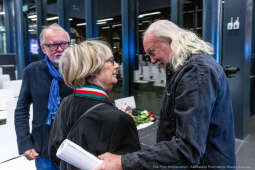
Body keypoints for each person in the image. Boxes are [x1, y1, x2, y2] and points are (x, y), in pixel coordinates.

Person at [95, 20, 236, 170]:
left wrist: (122, 162)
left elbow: (187, 149)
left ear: (170, 41)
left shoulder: (196, 72)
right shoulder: (185, 68)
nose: (152, 60)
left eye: (152, 52)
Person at [48, 40, 140, 170]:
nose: (117, 65)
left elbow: (54, 153)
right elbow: (133, 165)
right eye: (111, 61)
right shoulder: (120, 119)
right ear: (93, 69)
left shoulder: (66, 103)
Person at [14, 23, 73, 170]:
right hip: (44, 147)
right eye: (53, 45)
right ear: (43, 48)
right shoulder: (32, 71)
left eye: (64, 44)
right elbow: (21, 109)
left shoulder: (79, 71)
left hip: (75, 146)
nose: (60, 49)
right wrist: (24, 143)